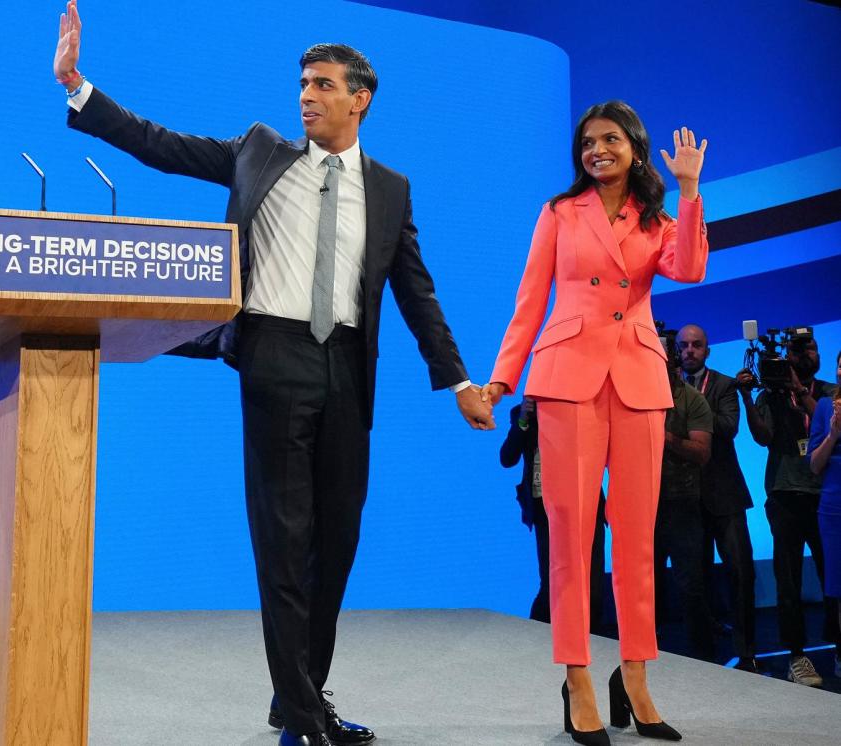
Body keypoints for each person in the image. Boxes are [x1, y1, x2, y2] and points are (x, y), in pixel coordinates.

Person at [52, 4, 495, 744]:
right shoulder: (259, 151)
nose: (306, 97)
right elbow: (158, 145)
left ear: (361, 99)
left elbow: (415, 292)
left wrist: (456, 382)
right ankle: (302, 714)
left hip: (348, 371)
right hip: (274, 361)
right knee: (284, 544)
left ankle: (298, 694)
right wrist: (78, 86)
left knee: (337, 542)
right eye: (302, 84)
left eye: (323, 84)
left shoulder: (390, 189)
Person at [482, 101, 708, 745]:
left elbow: (689, 269)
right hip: (567, 384)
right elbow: (531, 299)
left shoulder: (662, 219)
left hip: (638, 383)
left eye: (610, 139)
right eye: (587, 141)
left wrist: (690, 191)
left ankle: (634, 676)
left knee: (637, 539)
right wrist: (503, 378)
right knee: (570, 538)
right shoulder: (559, 212)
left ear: (635, 147)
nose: (597, 149)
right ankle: (578, 676)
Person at [738, 335, 839, 686]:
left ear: (818, 354)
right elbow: (763, 437)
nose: (803, 354)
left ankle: (839, 646)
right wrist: (748, 397)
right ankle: (796, 656)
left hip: (825, 496)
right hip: (784, 496)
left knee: (835, 577)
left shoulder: (830, 393)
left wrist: (801, 392)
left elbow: (831, 427)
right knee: (788, 579)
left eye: (809, 348)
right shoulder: (772, 395)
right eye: (796, 350)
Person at [676, 323, 760, 672]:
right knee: (693, 579)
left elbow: (728, 428)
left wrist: (692, 409)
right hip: (684, 496)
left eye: (697, 345)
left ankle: (747, 650)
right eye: (684, 346)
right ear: (676, 351)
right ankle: (703, 654)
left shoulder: (723, 385)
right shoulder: (663, 389)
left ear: (707, 350)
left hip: (725, 494)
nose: (690, 351)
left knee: (740, 574)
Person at [500, 397, 607, 626]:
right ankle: (536, 641)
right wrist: (522, 421)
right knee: (551, 585)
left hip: (586, 504)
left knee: (593, 586)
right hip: (545, 510)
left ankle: (594, 642)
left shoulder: (581, 408)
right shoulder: (523, 414)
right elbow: (507, 458)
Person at [654, 332, 714, 662]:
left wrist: (664, 438)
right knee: (644, 587)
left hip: (682, 503)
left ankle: (704, 660)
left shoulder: (692, 399)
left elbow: (703, 452)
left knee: (691, 586)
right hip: (643, 504)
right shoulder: (633, 397)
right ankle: (642, 660)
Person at [807, 349, 841, 678]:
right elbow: (815, 465)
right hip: (833, 506)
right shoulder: (825, 407)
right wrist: (833, 433)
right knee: (837, 583)